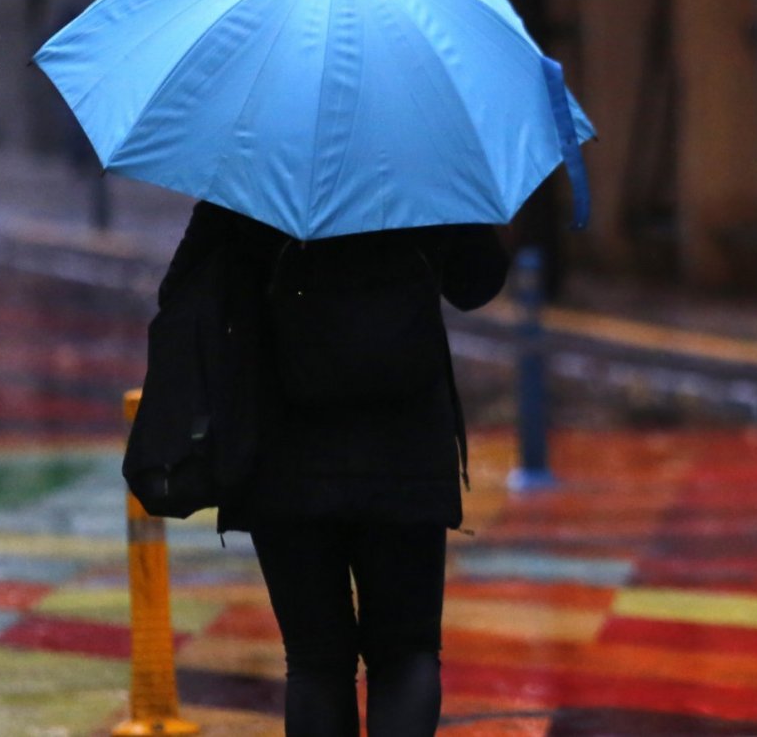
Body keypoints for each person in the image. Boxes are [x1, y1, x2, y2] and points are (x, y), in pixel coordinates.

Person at [159, 200, 508, 735]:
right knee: (405, 651)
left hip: (283, 448)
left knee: (316, 661)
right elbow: (477, 281)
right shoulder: (421, 154)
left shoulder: (253, 157)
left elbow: (182, 289)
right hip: (405, 446)